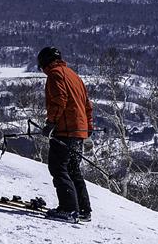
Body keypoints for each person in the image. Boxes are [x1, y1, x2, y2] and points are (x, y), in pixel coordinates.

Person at [38, 46, 93, 223]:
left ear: (44, 62)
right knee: (73, 169)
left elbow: (59, 100)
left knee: (58, 167)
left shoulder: (55, 74)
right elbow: (87, 105)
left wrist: (51, 123)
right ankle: (83, 210)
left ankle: (69, 209)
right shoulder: (73, 75)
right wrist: (87, 126)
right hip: (79, 130)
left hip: (65, 129)